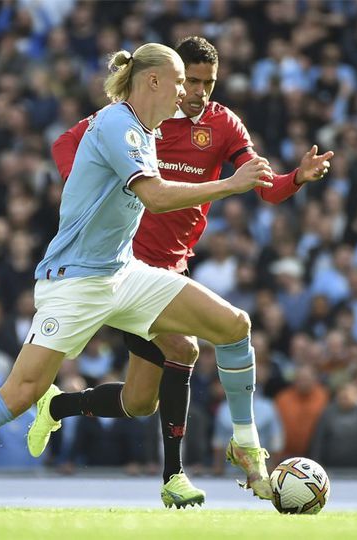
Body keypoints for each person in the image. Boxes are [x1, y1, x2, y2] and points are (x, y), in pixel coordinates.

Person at [0, 42, 276, 510]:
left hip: (124, 273)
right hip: (74, 281)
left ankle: (244, 443)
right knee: (19, 393)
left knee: (235, 326)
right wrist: (231, 184)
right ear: (152, 81)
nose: (185, 95)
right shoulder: (118, 123)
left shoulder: (147, 133)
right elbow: (153, 196)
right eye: (179, 82)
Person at [48, 36, 333, 507]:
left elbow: (263, 187)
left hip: (172, 268)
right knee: (187, 346)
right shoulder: (136, 117)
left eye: (208, 82)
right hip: (127, 269)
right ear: (175, 78)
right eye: (192, 80)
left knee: (140, 402)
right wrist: (86, 187)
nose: (199, 91)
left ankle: (57, 406)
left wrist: (296, 179)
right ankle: (176, 476)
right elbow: (66, 144)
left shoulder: (224, 126)